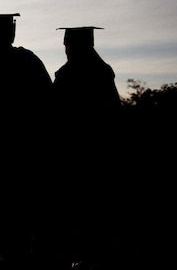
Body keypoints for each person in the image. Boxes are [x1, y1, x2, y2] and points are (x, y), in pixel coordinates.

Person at [0, 13, 54, 269]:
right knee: (29, 214)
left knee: (3, 215)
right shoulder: (30, 61)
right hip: (30, 153)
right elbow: (49, 104)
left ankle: (11, 260)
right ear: (12, 34)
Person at [52, 26, 123, 268]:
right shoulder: (104, 72)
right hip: (103, 151)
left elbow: (57, 115)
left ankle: (88, 257)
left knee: (82, 207)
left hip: (77, 153)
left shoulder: (68, 74)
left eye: (67, 46)